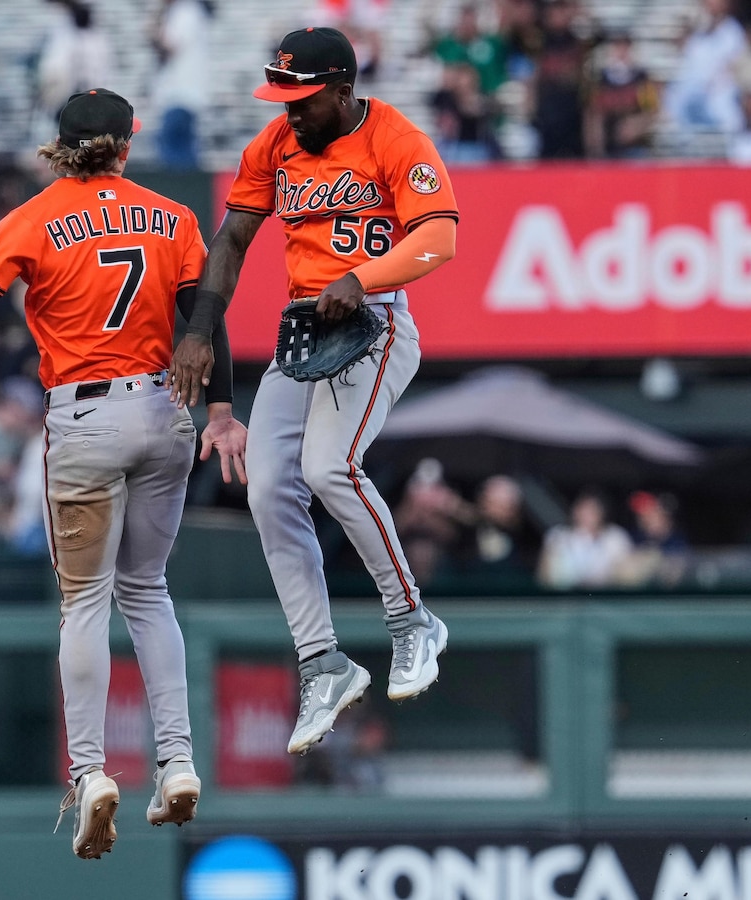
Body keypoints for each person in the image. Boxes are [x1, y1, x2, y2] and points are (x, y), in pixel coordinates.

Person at [0, 88, 246, 860]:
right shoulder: (173, 215)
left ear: (59, 148)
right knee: (149, 591)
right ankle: (177, 762)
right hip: (168, 410)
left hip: (87, 414)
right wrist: (225, 413)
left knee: (85, 602)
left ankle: (92, 769)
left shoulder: (35, 217)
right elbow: (206, 320)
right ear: (128, 145)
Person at [168, 26, 459, 756]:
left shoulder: (394, 137)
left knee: (332, 467)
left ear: (341, 89)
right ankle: (323, 661)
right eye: (283, 98)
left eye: (304, 99)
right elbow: (231, 241)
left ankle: (412, 621)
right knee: (267, 488)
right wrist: (201, 327)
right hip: (304, 331)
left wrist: (365, 278)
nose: (291, 112)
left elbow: (439, 238)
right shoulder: (274, 146)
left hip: (376, 321)